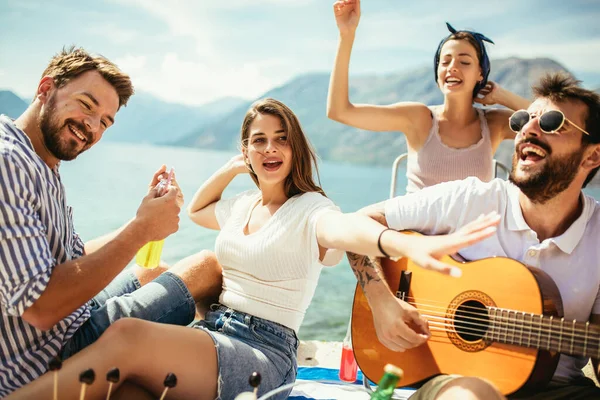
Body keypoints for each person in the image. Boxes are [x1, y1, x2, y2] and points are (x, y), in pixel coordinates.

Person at [6, 98, 501, 400]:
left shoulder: (310, 207)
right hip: (213, 333)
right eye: (259, 141)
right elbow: (200, 208)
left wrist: (395, 243)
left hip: (262, 354)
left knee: (130, 337)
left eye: (280, 139)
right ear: (246, 150)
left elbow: (346, 229)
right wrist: (230, 168)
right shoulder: (242, 204)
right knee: (128, 390)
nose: (270, 149)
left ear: (296, 148)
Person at [347, 72, 600, 399]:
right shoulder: (470, 199)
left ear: (592, 156)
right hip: (453, 383)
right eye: (523, 119)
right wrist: (382, 302)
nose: (528, 129)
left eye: (552, 123)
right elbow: (360, 223)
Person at [0, 47, 221, 397]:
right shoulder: (9, 164)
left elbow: (70, 258)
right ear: (45, 89)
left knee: (154, 270)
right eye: (86, 105)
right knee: (207, 267)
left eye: (105, 121)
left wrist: (141, 218)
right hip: (47, 357)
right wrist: (142, 230)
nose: (91, 126)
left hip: (70, 320)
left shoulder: (42, 159)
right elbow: (39, 308)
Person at [328, 0, 531, 193]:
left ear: (480, 74)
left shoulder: (494, 125)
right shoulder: (419, 118)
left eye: (464, 62)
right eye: (445, 62)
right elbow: (340, 111)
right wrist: (346, 35)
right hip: (416, 229)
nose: (452, 68)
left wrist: (503, 96)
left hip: (474, 229)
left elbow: (556, 127)